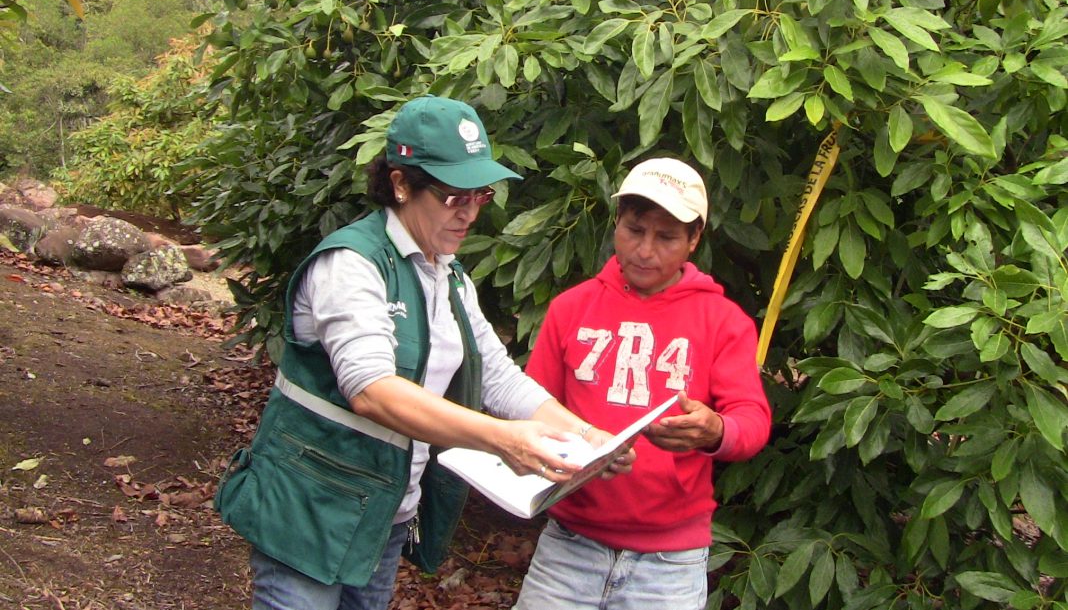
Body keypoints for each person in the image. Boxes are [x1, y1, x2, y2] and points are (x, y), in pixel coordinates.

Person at [215, 95, 612, 610]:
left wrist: (585, 439)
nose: (470, 214)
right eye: (453, 197)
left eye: (481, 196)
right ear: (401, 184)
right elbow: (373, 391)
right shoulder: (353, 264)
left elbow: (497, 376)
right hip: (307, 508)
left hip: (383, 514)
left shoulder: (447, 275)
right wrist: (503, 439)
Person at [514, 157, 772, 610]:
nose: (645, 250)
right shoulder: (571, 308)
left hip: (670, 561)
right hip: (568, 545)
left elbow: (752, 421)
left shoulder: (722, 321)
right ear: (616, 223)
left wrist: (716, 431)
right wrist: (573, 451)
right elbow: (529, 406)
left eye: (667, 236)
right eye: (634, 230)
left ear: (693, 240)